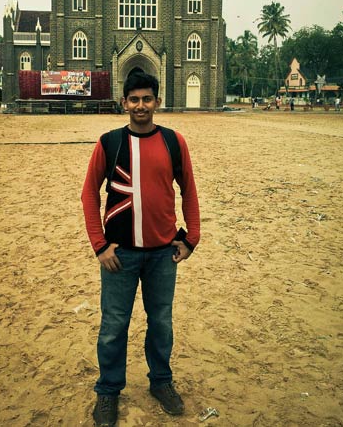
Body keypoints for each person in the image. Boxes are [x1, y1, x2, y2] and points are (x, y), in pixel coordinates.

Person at [81, 71, 200, 427]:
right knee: (114, 325)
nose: (141, 106)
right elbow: (89, 193)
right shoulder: (109, 142)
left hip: (164, 253)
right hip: (120, 255)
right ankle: (108, 391)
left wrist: (191, 237)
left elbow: (188, 190)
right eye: (134, 99)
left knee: (161, 323)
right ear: (124, 103)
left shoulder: (174, 142)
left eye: (147, 99)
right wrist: (99, 245)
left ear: (157, 102)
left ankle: (161, 382)